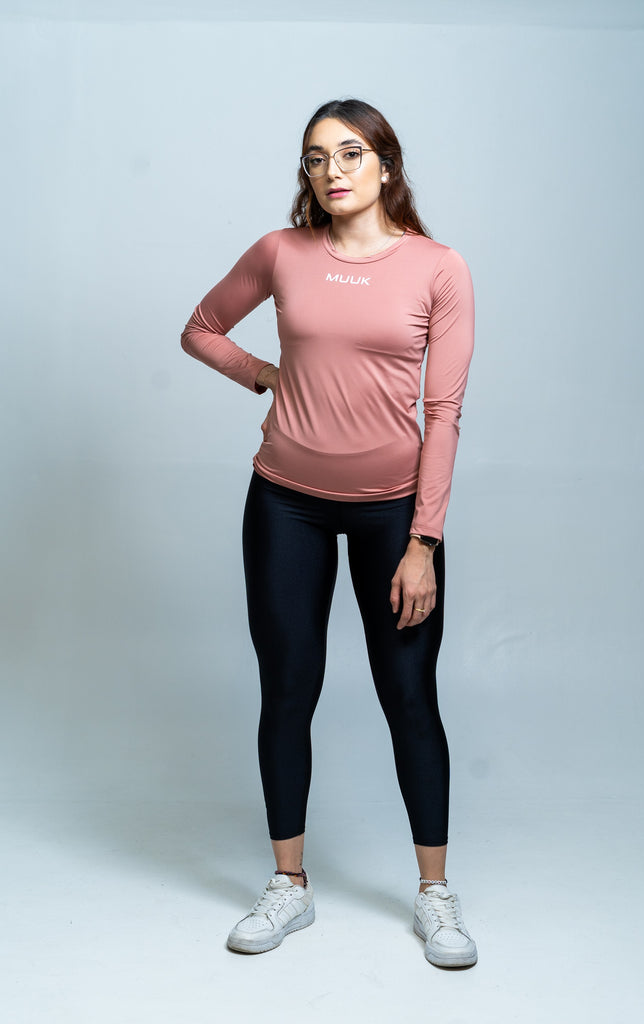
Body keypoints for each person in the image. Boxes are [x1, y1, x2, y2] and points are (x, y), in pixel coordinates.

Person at [180, 98, 477, 968]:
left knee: (408, 697)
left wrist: (423, 542)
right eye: (316, 158)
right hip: (285, 503)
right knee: (287, 690)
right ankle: (289, 884)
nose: (332, 171)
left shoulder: (438, 268)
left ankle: (434, 894)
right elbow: (201, 330)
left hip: (393, 512)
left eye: (350, 154)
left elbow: (444, 413)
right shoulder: (282, 252)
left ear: (385, 165)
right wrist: (265, 375)